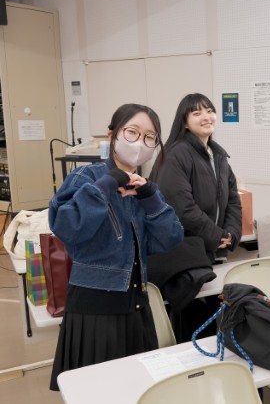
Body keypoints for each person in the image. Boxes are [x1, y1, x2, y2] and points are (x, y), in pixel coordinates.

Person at [49, 104, 184, 390]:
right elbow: (66, 226)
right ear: (112, 135)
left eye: (149, 137)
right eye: (132, 132)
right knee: (100, 391)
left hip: (136, 305)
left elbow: (171, 238)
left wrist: (151, 197)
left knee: (138, 390)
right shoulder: (86, 178)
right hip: (95, 307)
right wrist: (106, 185)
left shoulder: (145, 187)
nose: (140, 143)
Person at [150, 93, 242, 263]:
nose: (206, 117)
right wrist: (216, 236)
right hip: (185, 253)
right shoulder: (175, 155)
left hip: (215, 250)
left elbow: (233, 200)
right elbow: (181, 207)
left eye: (209, 111)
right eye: (197, 113)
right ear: (185, 122)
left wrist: (231, 233)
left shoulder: (219, 156)